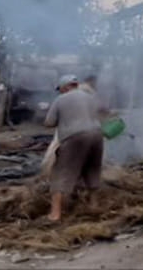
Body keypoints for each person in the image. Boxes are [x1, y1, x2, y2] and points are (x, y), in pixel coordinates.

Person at [42, 74, 106, 223]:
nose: (60, 92)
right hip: (97, 135)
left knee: (61, 173)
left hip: (75, 137)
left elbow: (49, 122)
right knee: (92, 170)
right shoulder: (91, 97)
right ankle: (93, 206)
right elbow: (101, 114)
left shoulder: (60, 99)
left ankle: (55, 214)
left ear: (65, 87)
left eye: (60, 89)